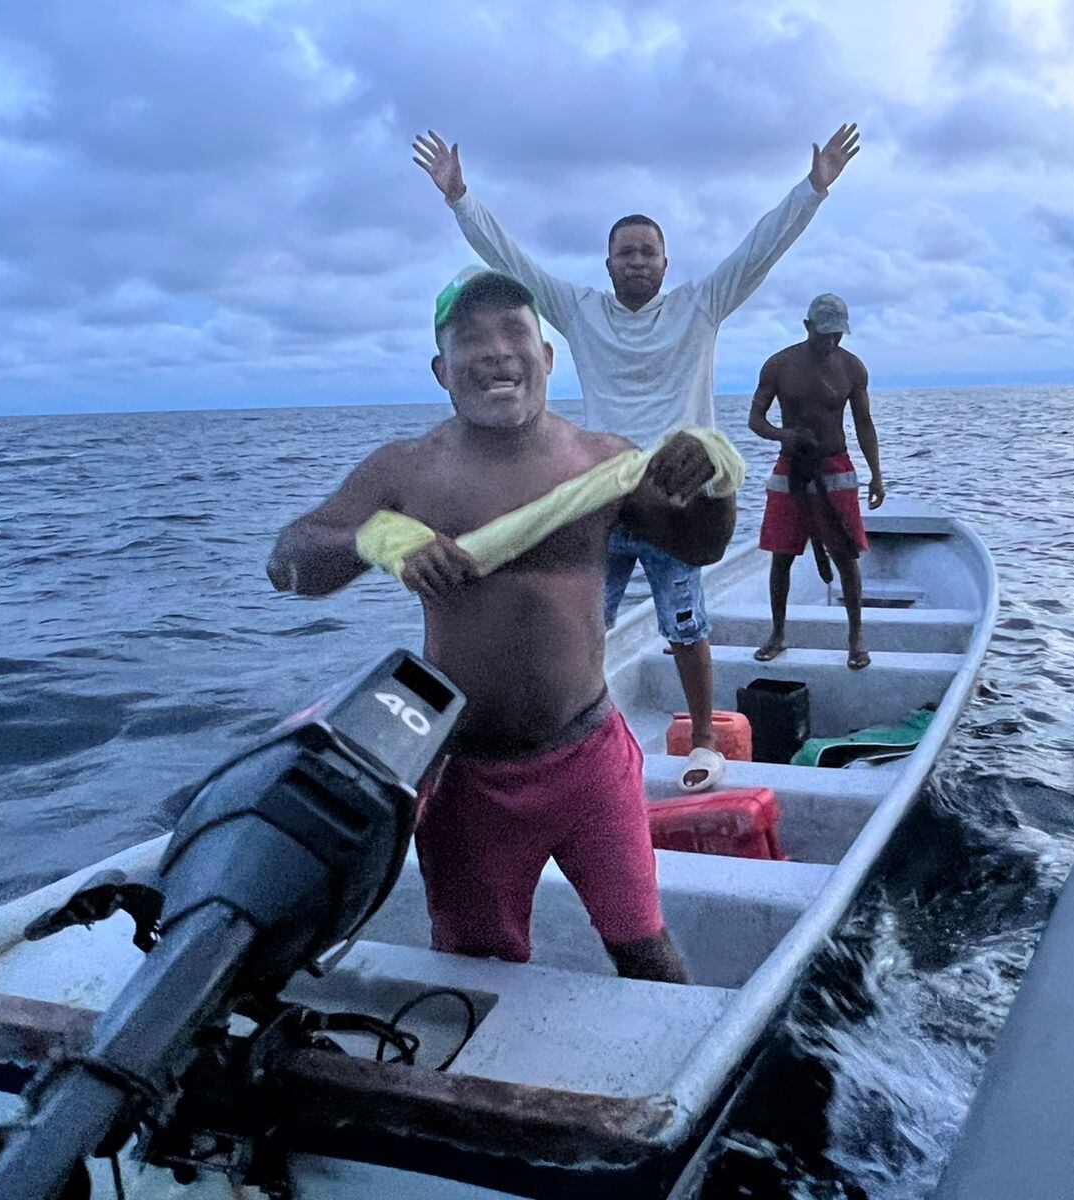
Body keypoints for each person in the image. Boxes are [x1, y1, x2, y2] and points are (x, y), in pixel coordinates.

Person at [266, 272, 737, 983]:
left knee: (643, 947)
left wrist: (714, 480)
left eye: (514, 332)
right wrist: (375, 537)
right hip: (465, 773)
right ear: (441, 371)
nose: (495, 353)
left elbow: (700, 546)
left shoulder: (604, 462)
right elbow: (289, 563)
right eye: (470, 341)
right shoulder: (405, 470)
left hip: (590, 756)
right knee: (479, 967)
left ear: (547, 357)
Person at [411, 123, 862, 792]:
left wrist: (815, 187)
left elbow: (760, 248)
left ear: (665, 263)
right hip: (600, 502)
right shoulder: (579, 310)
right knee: (584, 625)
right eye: (626, 253)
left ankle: (705, 737)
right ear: (608, 264)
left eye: (649, 252)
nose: (637, 262)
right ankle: (583, 739)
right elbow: (512, 261)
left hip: (679, 504)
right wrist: (459, 199)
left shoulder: (701, 305)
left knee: (687, 624)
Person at [748, 293, 885, 670]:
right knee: (782, 555)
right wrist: (783, 435)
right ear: (807, 327)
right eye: (823, 334)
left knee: (845, 555)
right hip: (791, 468)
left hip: (836, 468)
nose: (830, 342)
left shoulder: (852, 368)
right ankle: (778, 632)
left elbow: (863, 423)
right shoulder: (779, 365)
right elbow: (756, 420)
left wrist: (876, 475)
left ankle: (856, 636)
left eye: (837, 335)